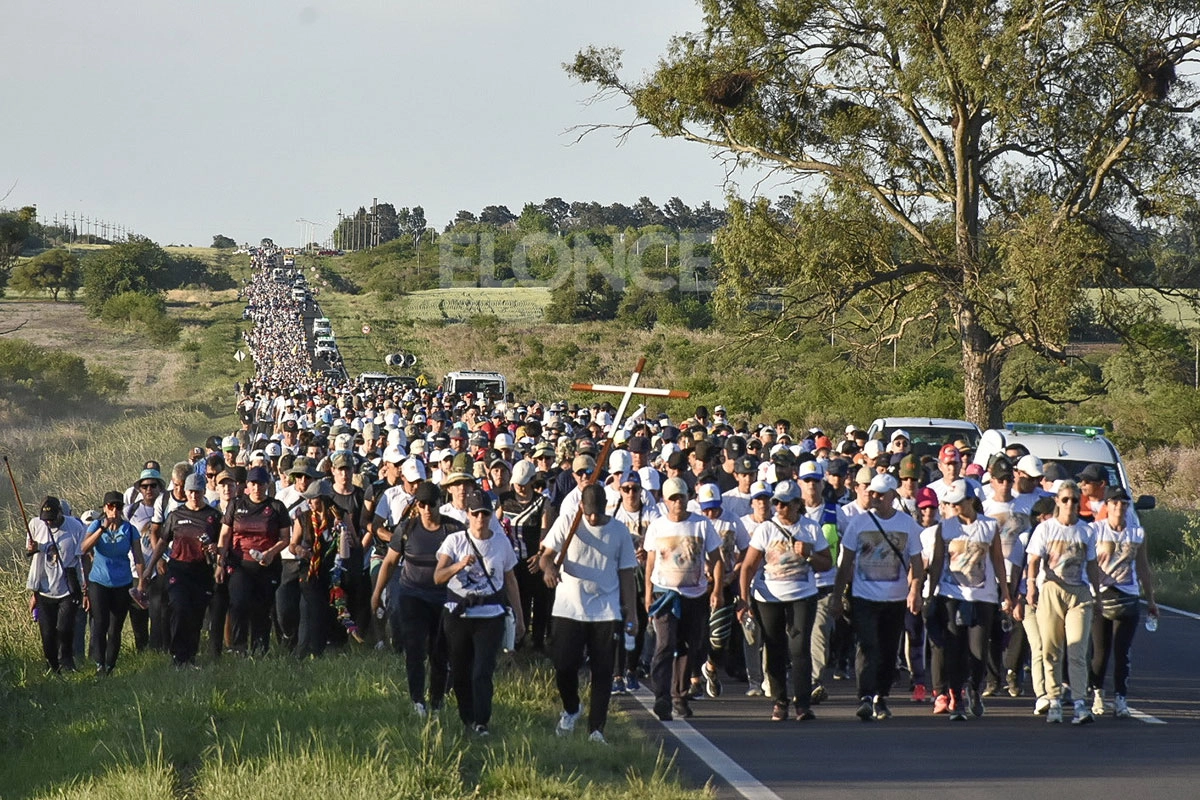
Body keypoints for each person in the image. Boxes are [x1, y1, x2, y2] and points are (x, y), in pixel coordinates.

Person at [540, 484, 637, 744]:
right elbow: (545, 556)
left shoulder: (619, 531)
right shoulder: (568, 524)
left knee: (603, 671)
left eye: (597, 512)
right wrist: (548, 570)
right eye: (589, 512)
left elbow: (626, 573)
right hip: (568, 608)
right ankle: (571, 708)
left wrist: (632, 614)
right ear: (581, 506)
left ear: (606, 505)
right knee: (564, 666)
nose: (593, 518)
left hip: (606, 609)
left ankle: (596, 730)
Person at [831, 473, 925, 721]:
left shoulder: (907, 525)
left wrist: (915, 590)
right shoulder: (859, 523)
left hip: (895, 599)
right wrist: (837, 596)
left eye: (881, 494)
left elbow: (917, 563)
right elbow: (846, 564)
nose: (875, 497)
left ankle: (880, 697)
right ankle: (864, 696)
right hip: (864, 597)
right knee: (867, 645)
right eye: (872, 493)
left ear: (893, 495)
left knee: (887, 649)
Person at [738, 480, 833, 722]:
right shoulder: (766, 529)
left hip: (802, 594)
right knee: (774, 647)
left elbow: (827, 563)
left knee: (799, 648)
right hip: (768, 596)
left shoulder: (811, 528)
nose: (779, 508)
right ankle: (780, 701)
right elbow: (748, 566)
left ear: (797, 505)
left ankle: (802, 703)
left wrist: (808, 554)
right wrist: (743, 599)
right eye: (776, 503)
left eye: (785, 504)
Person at [435, 490, 524, 736]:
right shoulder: (454, 541)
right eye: (476, 514)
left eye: (485, 513)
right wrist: (459, 565)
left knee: (482, 671)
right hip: (459, 614)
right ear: (468, 514)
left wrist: (519, 617)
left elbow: (511, 580)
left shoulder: (501, 542)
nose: (481, 519)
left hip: (490, 614)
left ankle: (482, 721)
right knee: (461, 672)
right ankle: (467, 718)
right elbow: (438, 576)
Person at [372, 481, 463, 717]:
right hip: (412, 595)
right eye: (421, 504)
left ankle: (436, 700)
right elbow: (390, 562)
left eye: (431, 504)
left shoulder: (454, 529)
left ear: (440, 504)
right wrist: (377, 594)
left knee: (439, 652)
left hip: (443, 598)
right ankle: (417, 700)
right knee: (414, 649)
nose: (426, 509)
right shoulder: (407, 529)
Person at [927, 480, 1013, 721]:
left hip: (982, 596)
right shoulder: (945, 527)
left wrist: (1004, 592)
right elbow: (936, 562)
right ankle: (955, 697)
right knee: (954, 646)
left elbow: (997, 560)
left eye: (958, 503)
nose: (954, 507)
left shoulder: (988, 526)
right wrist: (930, 593)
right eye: (951, 503)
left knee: (978, 648)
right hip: (951, 594)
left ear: (970, 501)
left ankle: (974, 688)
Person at [643, 476, 723, 722]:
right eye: (673, 498)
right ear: (665, 501)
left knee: (690, 645)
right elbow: (651, 562)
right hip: (665, 593)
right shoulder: (657, 526)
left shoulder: (701, 524)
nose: (678, 502)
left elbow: (716, 558)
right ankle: (661, 697)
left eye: (682, 497)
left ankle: (679, 695)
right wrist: (647, 593)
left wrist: (717, 590)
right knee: (665, 643)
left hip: (695, 594)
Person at [1025, 480, 1102, 725]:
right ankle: (1054, 699)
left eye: (1074, 500)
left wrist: (1097, 595)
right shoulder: (1046, 529)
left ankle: (1080, 703)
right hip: (1051, 589)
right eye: (1065, 499)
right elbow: (1034, 561)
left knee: (1078, 648)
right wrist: (1031, 588)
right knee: (1051, 648)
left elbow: (1091, 565)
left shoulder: (1086, 531)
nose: (1070, 504)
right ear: (1057, 501)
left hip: (1078, 593)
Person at [1087, 486, 1158, 719]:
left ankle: (1121, 697)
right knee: (1101, 651)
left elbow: (1143, 567)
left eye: (1123, 503)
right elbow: (1088, 566)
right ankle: (1097, 692)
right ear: (1107, 506)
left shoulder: (1136, 534)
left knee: (1123, 651)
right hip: (1102, 595)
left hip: (1127, 594)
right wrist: (1091, 594)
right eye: (1115, 503)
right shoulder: (1095, 531)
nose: (1119, 507)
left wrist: (1151, 600)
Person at [142, 474, 220, 668]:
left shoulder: (213, 516)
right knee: (179, 607)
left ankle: (190, 656)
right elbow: (162, 541)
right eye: (191, 492)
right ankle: (178, 655)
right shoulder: (176, 515)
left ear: (204, 492)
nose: (194, 495)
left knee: (196, 614)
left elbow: (222, 542)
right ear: (186, 492)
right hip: (179, 569)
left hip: (202, 570)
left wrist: (215, 549)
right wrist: (151, 565)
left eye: (198, 492)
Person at [216, 465, 290, 655]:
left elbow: (285, 539)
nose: (257, 488)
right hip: (240, 564)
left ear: (267, 485)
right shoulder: (236, 505)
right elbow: (225, 535)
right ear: (247, 485)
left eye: (261, 484)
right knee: (238, 603)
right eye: (253, 484)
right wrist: (220, 561)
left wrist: (272, 552)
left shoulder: (276, 507)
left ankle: (260, 649)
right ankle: (238, 647)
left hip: (266, 565)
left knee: (262, 608)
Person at [290, 479, 357, 657]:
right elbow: (292, 545)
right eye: (309, 499)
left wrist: (348, 540)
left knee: (330, 608)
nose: (310, 502)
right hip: (310, 570)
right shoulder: (303, 518)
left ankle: (330, 646)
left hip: (334, 570)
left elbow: (356, 543)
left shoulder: (340, 516)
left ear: (324, 499)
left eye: (314, 499)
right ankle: (315, 649)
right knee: (315, 606)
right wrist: (299, 550)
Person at [81, 491, 144, 675]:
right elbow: (84, 548)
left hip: (122, 582)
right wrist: (102, 529)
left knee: (115, 626)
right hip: (99, 581)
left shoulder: (130, 529)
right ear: (105, 508)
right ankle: (99, 663)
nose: (114, 510)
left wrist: (141, 583)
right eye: (111, 506)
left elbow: (138, 557)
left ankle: (110, 665)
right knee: (100, 623)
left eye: (118, 506)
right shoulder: (96, 525)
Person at [26, 496, 87, 674]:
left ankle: (67, 663)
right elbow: (30, 553)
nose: (49, 522)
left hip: (67, 587)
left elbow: (82, 559)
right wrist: (32, 548)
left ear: (60, 513)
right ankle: (52, 667)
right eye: (46, 520)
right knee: (47, 635)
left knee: (65, 629)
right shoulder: (35, 525)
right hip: (44, 590)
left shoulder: (75, 527)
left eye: (52, 518)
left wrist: (85, 588)